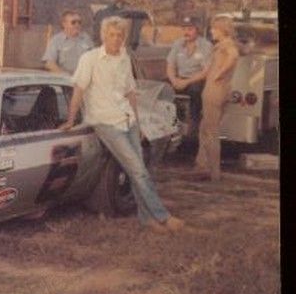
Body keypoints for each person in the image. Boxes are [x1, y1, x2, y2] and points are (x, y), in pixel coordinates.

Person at [60, 16, 184, 233]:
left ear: (124, 38)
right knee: (138, 170)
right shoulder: (90, 59)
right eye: (111, 35)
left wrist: (137, 122)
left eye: (120, 35)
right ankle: (163, 216)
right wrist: (71, 119)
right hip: (106, 122)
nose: (116, 39)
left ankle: (147, 219)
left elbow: (130, 92)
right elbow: (78, 90)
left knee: (139, 169)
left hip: (128, 120)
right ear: (103, 36)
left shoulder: (125, 57)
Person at [174, 16, 239, 182]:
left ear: (222, 29)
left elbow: (233, 56)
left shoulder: (226, 45)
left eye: (214, 29)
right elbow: (207, 71)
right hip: (220, 90)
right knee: (205, 129)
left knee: (211, 132)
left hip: (214, 92)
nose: (211, 31)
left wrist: (219, 72)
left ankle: (214, 174)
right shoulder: (223, 45)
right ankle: (202, 166)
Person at [166, 15, 213, 142]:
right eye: (184, 29)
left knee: (196, 92)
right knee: (164, 91)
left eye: (190, 29)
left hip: (196, 80)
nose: (186, 32)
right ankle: (168, 126)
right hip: (179, 79)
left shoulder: (205, 45)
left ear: (197, 30)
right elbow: (170, 66)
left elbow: (206, 71)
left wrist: (186, 82)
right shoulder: (177, 44)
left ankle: (193, 129)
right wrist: (174, 80)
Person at [42, 10, 93, 75]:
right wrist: (63, 75)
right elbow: (49, 63)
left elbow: (94, 59)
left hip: (84, 78)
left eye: (79, 22)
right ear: (64, 24)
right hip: (65, 80)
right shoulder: (56, 40)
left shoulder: (86, 39)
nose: (77, 25)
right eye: (73, 22)